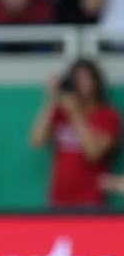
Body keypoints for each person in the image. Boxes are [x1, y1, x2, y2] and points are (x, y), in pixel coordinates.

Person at [29, 59, 121, 210]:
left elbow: (94, 153)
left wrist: (75, 114)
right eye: (76, 79)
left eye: (85, 78)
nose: (80, 84)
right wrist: (51, 100)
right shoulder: (60, 112)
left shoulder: (108, 116)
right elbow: (36, 140)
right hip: (57, 200)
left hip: (90, 202)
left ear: (96, 83)